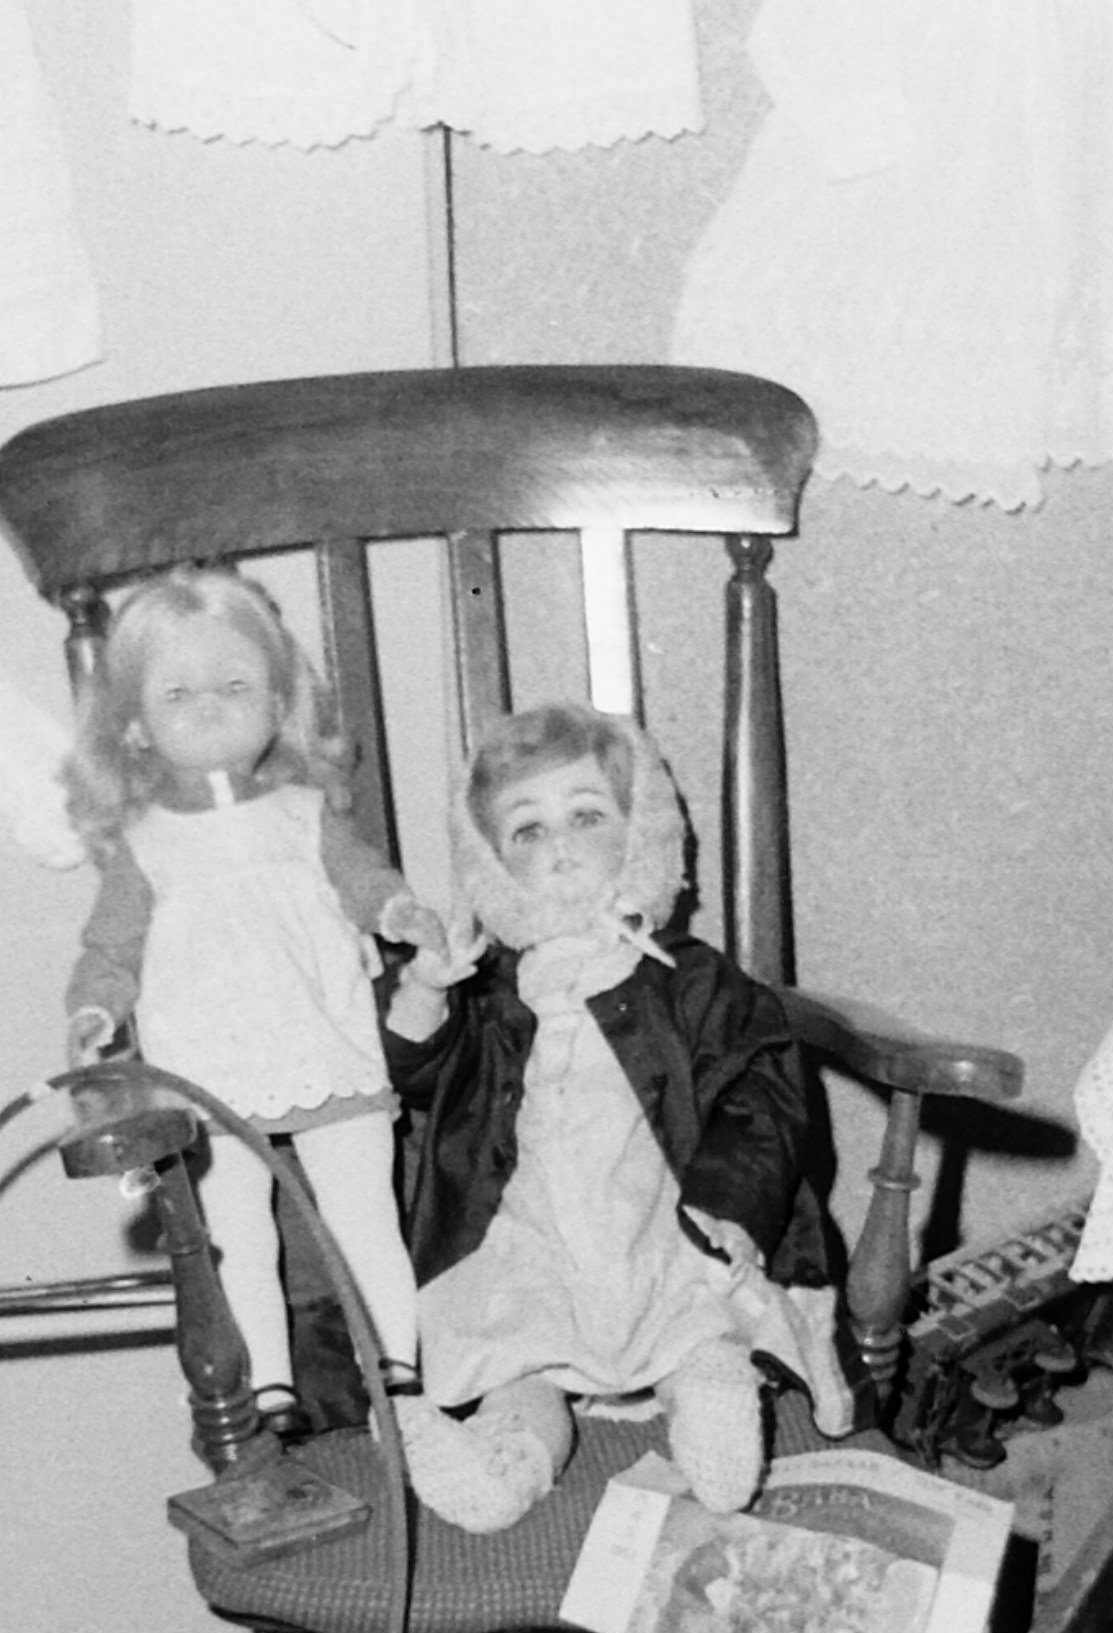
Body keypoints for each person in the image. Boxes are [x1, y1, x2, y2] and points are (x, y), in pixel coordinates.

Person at [381, 703, 844, 1533]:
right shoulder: (487, 989)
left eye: (587, 816)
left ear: (639, 832)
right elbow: (414, 1075)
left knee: (697, 1325)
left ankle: (712, 1406)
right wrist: (424, 991)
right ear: (491, 862)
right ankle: (505, 1464)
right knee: (518, 1362)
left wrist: (730, 1203)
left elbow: (761, 1092)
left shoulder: (690, 980)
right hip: (535, 1247)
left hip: (662, 1232)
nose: (559, 845)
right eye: (527, 830)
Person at [61, 566, 433, 1439]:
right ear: (134, 725)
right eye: (177, 693)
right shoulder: (146, 845)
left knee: (364, 1212)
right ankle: (266, 1386)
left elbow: (363, 879)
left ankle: (401, 1367)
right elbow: (109, 950)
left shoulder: (304, 814)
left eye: (235, 686)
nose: (210, 708)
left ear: (277, 703)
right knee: (234, 1236)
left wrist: (396, 910)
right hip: (211, 1070)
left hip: (325, 1045)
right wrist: (94, 1009)